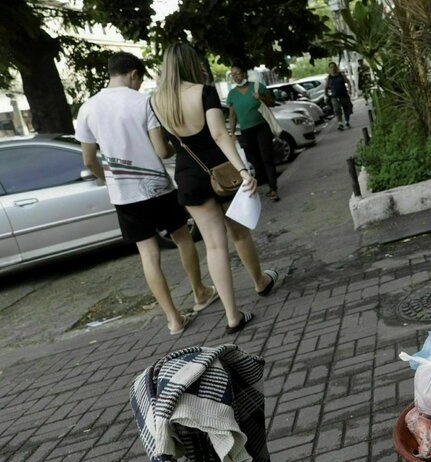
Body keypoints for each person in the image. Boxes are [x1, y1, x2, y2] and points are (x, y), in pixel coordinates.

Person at [74, 52, 217, 336]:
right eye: (139, 79)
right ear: (134, 74)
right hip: (157, 186)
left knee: (148, 254)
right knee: (182, 237)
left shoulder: (87, 108)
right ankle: (200, 293)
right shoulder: (143, 101)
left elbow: (89, 161)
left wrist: (110, 179)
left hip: (124, 195)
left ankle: (173, 319)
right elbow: (162, 151)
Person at [151, 43, 280, 335]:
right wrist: (244, 171)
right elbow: (220, 135)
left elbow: (162, 150)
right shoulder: (204, 91)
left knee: (213, 245)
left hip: (188, 177)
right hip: (222, 173)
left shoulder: (156, 101)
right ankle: (260, 282)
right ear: (191, 63)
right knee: (239, 232)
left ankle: (232, 316)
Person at [226, 65, 280, 201]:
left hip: (262, 127)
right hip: (246, 131)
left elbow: (272, 102)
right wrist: (232, 134)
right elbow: (232, 116)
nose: (236, 76)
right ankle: (267, 184)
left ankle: (274, 188)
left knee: (266, 157)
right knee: (256, 160)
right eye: (233, 74)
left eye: (238, 73)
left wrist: (260, 98)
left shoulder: (258, 86)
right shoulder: (232, 95)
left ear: (244, 73)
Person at [325, 62, 353, 130]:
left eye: (334, 66)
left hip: (344, 95)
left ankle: (347, 121)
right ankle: (340, 124)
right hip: (334, 96)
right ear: (329, 69)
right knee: (337, 110)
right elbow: (326, 87)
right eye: (331, 67)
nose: (333, 68)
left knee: (347, 109)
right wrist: (326, 95)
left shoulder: (341, 75)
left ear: (336, 67)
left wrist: (350, 90)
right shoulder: (329, 77)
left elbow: (348, 82)